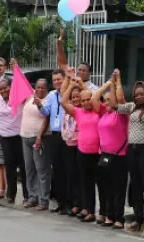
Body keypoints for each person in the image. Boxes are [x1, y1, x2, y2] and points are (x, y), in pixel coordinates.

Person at [115, 76, 144, 236]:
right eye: (136, 94)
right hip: (132, 149)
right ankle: (138, 219)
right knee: (135, 185)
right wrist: (117, 82)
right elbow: (116, 105)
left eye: (141, 93)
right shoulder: (131, 107)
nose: (138, 96)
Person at [92, 69, 130, 228]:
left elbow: (119, 100)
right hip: (104, 155)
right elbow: (94, 98)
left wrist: (116, 83)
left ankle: (119, 218)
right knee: (106, 187)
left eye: (109, 100)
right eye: (105, 100)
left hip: (119, 155)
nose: (107, 103)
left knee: (118, 188)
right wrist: (107, 84)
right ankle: (109, 214)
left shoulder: (121, 113)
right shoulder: (104, 113)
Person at [60, 72, 100, 222]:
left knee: (96, 183)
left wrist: (82, 85)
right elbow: (63, 102)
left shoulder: (98, 110)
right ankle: (86, 209)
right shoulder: (78, 112)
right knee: (84, 182)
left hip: (96, 152)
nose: (86, 102)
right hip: (82, 152)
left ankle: (96, 211)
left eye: (88, 99)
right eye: (83, 100)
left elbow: (95, 97)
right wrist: (71, 85)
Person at [20, 77, 52, 209]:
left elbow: (47, 119)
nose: (39, 89)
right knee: (29, 169)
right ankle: (32, 196)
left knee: (42, 169)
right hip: (25, 137)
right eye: (37, 87)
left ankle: (44, 199)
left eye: (42, 87)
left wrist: (39, 136)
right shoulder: (29, 97)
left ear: (47, 89)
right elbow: (20, 82)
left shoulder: (49, 99)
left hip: (40, 138)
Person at [39, 66, 66, 213]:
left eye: (59, 79)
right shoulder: (51, 94)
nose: (56, 82)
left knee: (67, 169)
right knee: (56, 168)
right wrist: (39, 105)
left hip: (67, 135)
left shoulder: (67, 94)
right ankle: (58, 200)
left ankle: (68, 202)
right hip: (54, 134)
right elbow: (46, 111)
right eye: (54, 80)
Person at [61, 79, 82, 216]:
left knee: (79, 176)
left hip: (80, 146)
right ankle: (72, 203)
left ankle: (80, 204)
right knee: (70, 175)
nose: (75, 99)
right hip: (68, 145)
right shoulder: (68, 108)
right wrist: (72, 85)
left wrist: (77, 85)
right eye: (72, 97)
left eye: (77, 97)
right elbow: (63, 97)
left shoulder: (81, 110)